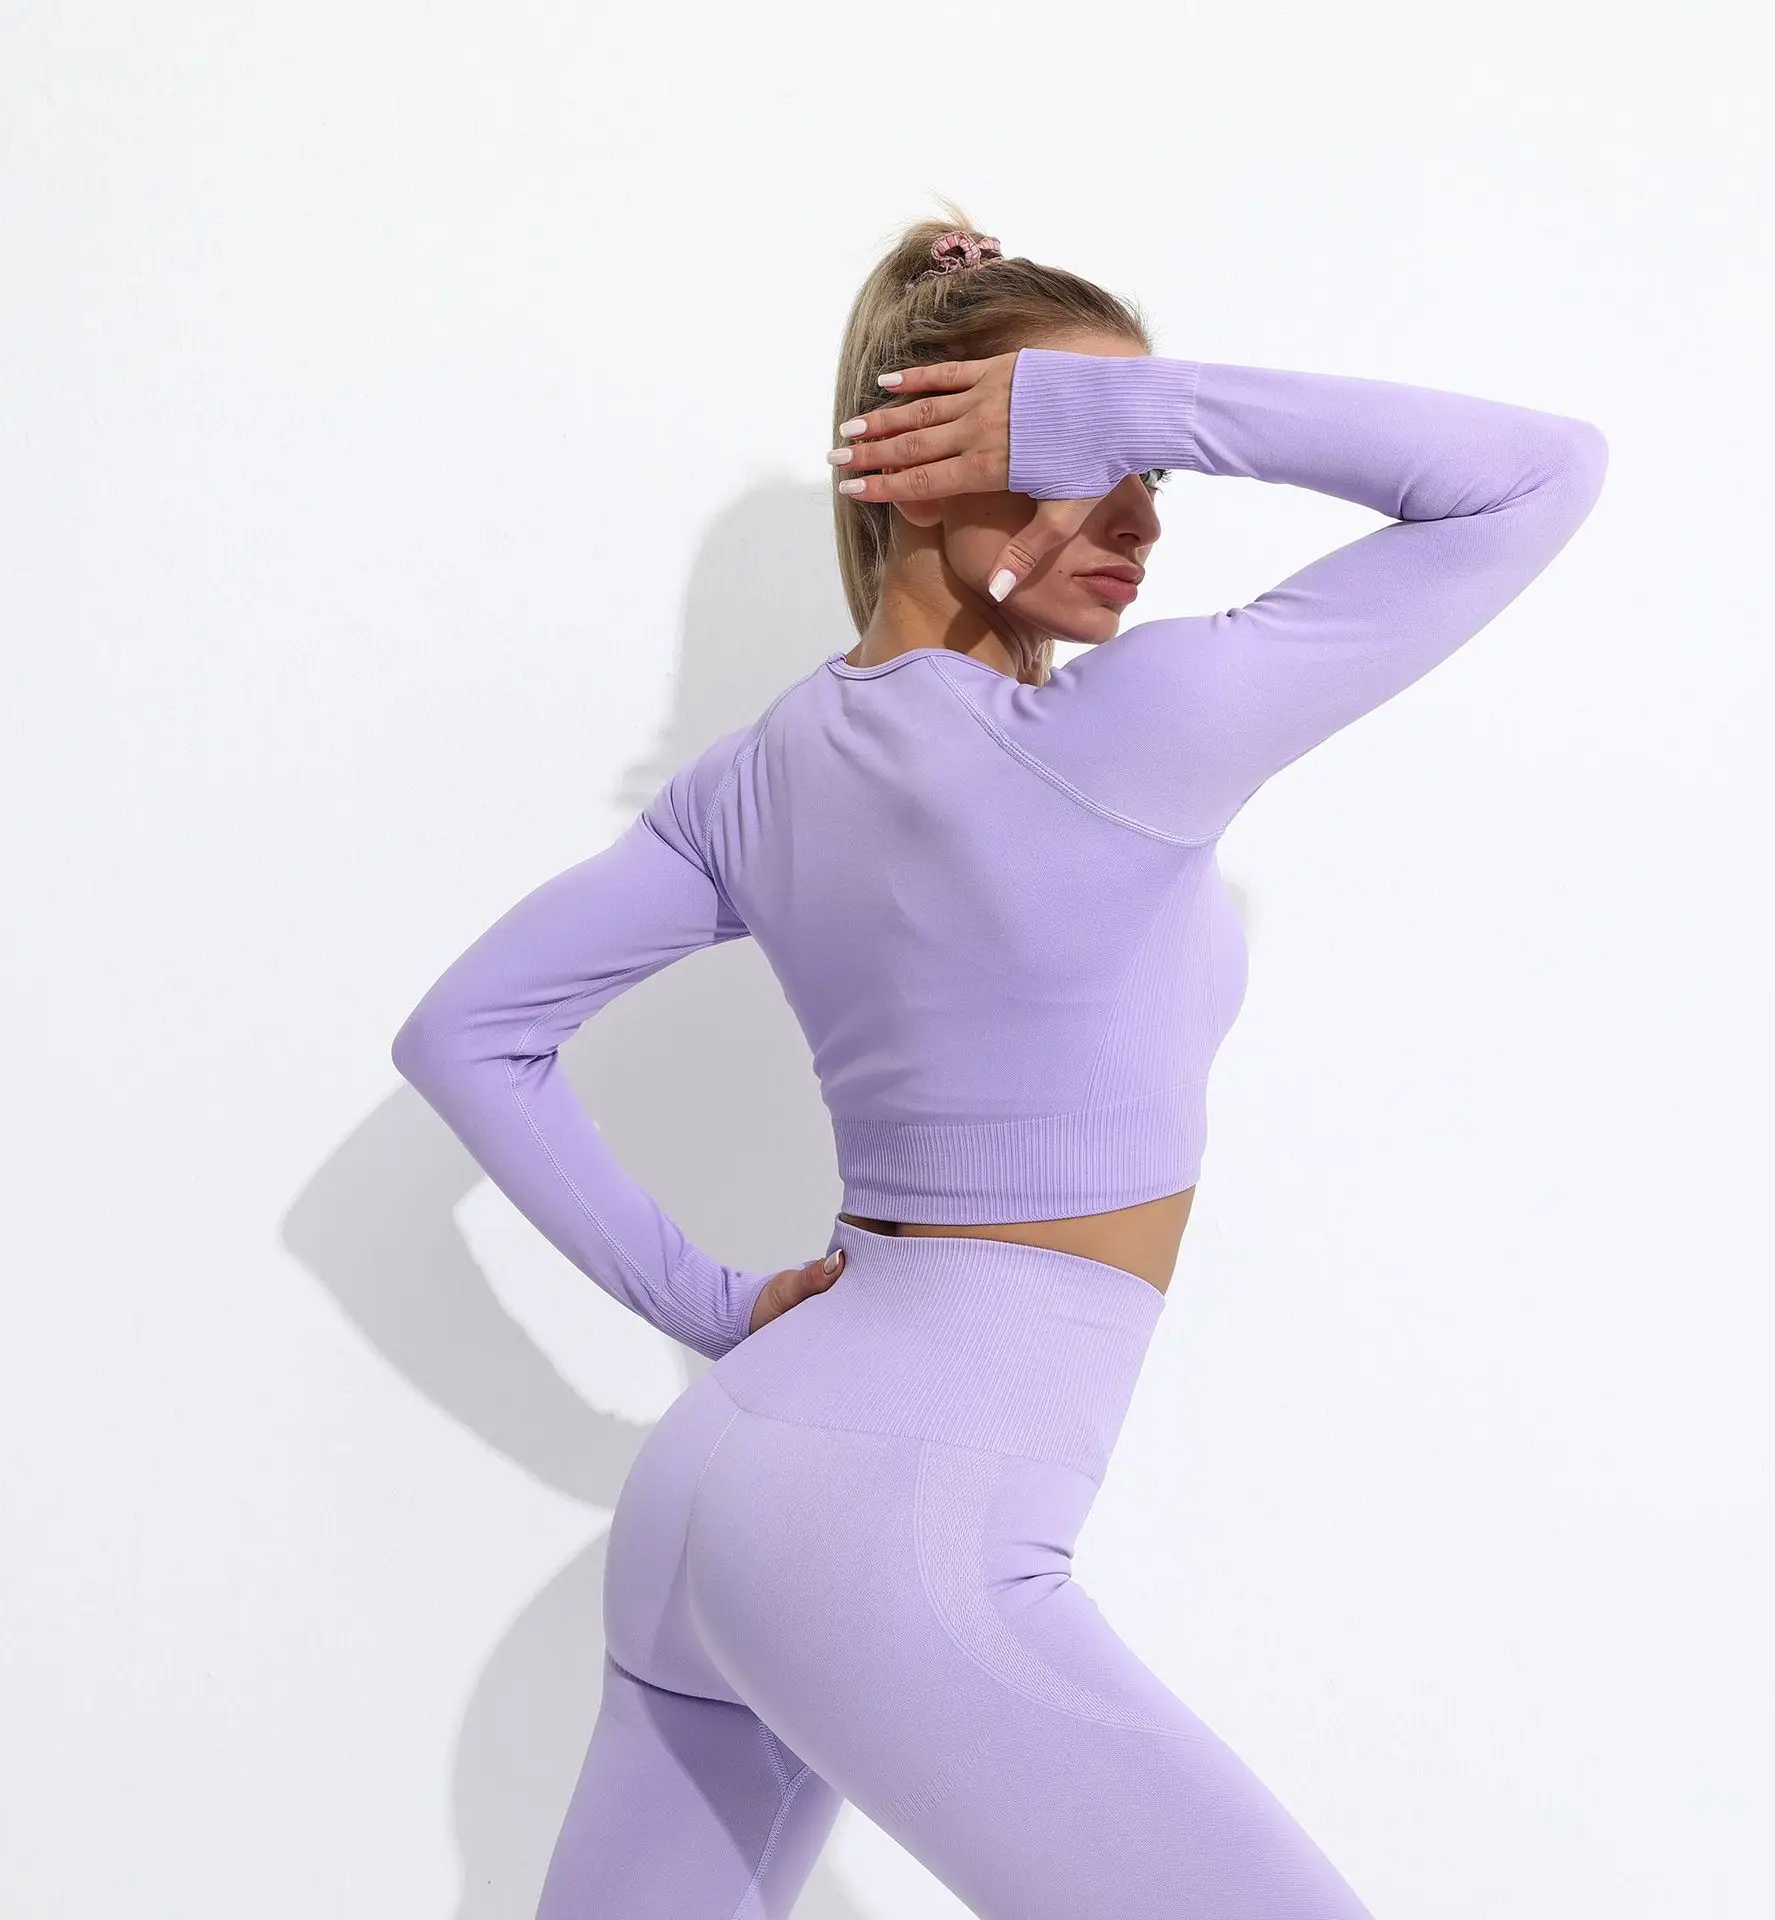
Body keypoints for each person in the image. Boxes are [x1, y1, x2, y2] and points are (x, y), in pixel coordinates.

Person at [390, 203, 1607, 1918]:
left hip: (717, 1491)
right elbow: (1538, 475)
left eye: (1147, 462)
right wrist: (1138, 402)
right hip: (894, 1531)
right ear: (911, 469)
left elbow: (466, 1033)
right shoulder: (1126, 733)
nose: (1139, 511)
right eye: (1078, 454)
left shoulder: (754, 775)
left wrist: (712, 1309)